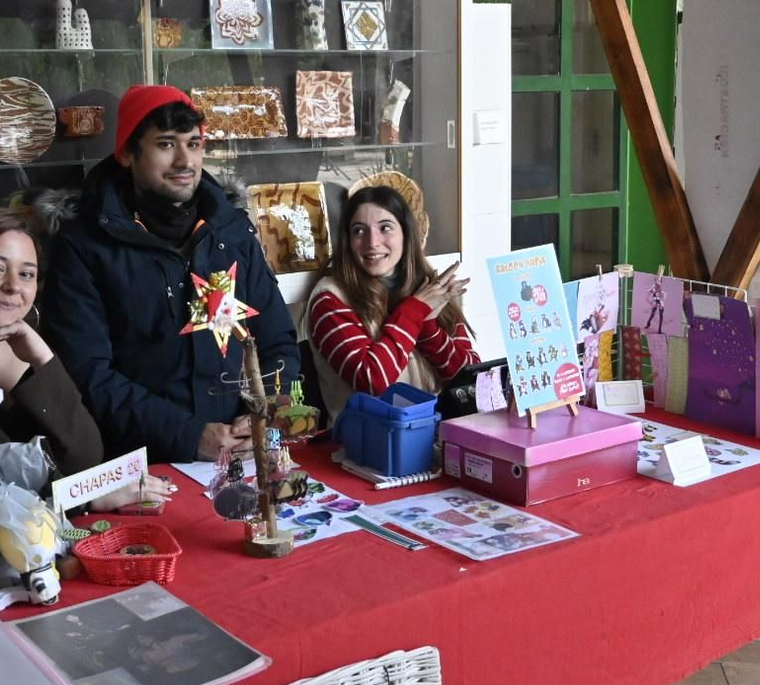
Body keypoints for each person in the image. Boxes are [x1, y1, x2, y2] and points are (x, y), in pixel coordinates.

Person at [40, 85, 299, 464]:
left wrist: (265, 412)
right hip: (141, 466)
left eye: (194, 144)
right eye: (166, 145)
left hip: (244, 452)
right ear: (128, 153)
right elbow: (87, 376)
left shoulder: (231, 232)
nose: (185, 161)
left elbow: (277, 340)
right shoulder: (85, 247)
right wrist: (190, 435)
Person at [0, 207, 171, 508]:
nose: (14, 286)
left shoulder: (25, 350)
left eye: (27, 274)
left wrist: (43, 358)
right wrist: (84, 500)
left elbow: (84, 455)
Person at [307, 184, 478, 411]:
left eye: (385, 228)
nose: (372, 242)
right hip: (370, 444)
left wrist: (428, 329)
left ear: (406, 234)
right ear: (347, 240)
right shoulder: (329, 299)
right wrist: (415, 311)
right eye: (359, 231)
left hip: (438, 438)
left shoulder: (428, 288)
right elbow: (372, 381)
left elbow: (472, 381)